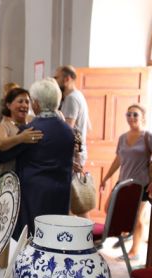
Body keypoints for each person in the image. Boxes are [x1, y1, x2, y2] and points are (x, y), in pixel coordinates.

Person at [0, 78, 75, 238]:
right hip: (61, 191)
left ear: (36, 103)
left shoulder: (32, 130)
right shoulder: (67, 130)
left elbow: (1, 155)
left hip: (34, 194)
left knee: (31, 238)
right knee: (54, 237)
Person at [100, 104, 152, 261]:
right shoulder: (123, 137)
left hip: (140, 184)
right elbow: (118, 159)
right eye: (128, 114)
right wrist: (107, 177)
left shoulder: (147, 136)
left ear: (142, 117)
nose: (131, 117)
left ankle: (134, 252)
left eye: (135, 114)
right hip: (123, 182)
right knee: (109, 208)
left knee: (138, 218)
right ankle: (125, 236)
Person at [55, 65, 92, 216]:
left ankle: (81, 236)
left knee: (72, 202)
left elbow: (67, 129)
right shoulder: (79, 96)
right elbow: (88, 127)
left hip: (72, 155)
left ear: (67, 79)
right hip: (77, 153)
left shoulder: (71, 98)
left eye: (57, 77)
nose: (55, 80)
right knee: (76, 201)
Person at [0, 87, 43, 176]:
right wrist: (21, 138)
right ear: (9, 105)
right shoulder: (3, 126)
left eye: (27, 102)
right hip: (8, 178)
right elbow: (0, 143)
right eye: (20, 101)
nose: (24, 105)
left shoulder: (33, 122)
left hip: (29, 176)